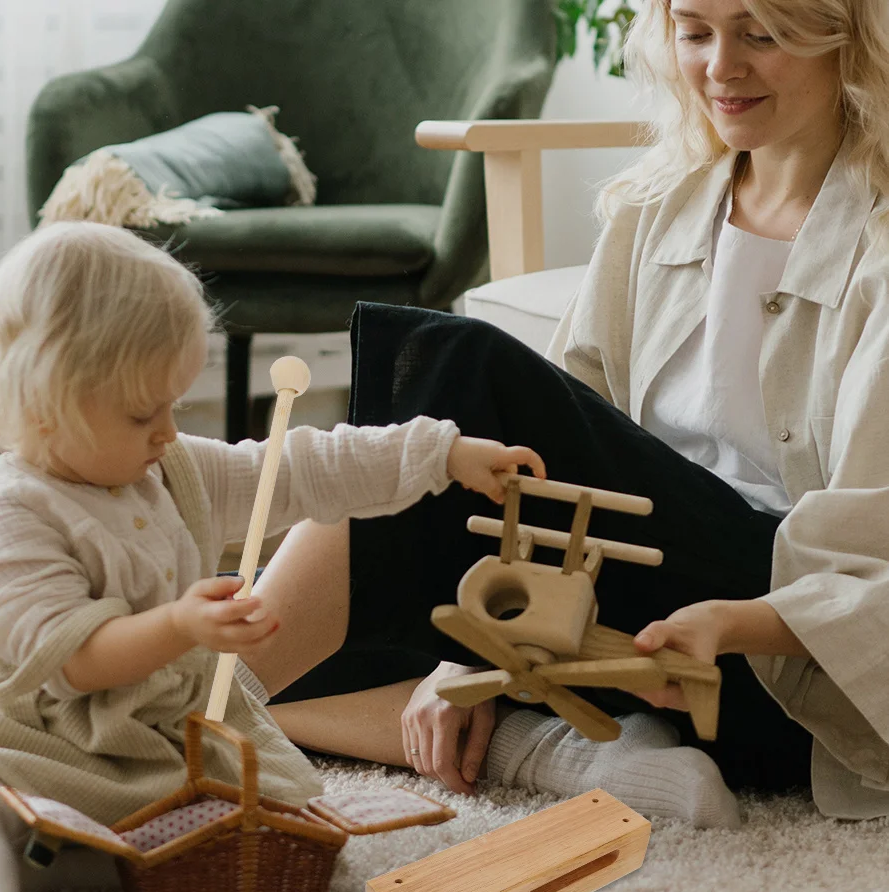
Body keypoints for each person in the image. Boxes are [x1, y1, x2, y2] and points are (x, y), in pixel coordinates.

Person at [220, 0, 889, 836]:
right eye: (695, 33)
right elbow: (566, 443)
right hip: (624, 622)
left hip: (764, 656)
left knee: (461, 373)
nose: (722, 67)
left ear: (846, 39)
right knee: (335, 614)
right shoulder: (660, 205)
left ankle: (183, 730)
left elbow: (872, 551)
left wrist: (736, 622)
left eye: (762, 34)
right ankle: (572, 756)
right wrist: (466, 652)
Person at [0, 220, 548, 892]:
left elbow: (301, 469)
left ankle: (72, 861)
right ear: (45, 405)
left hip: (178, 741)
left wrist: (441, 454)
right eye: (144, 414)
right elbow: (71, 662)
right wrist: (179, 625)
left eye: (174, 406)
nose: (169, 432)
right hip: (50, 738)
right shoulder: (9, 516)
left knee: (267, 827)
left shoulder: (170, 470)